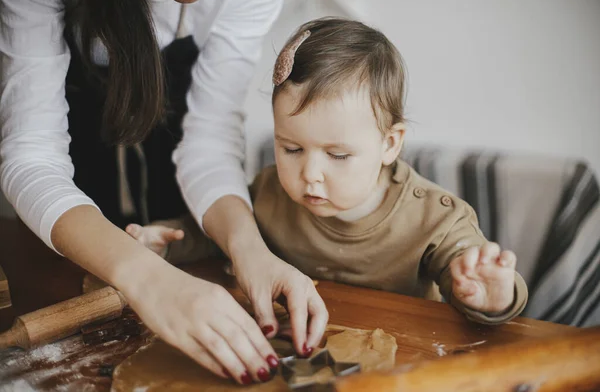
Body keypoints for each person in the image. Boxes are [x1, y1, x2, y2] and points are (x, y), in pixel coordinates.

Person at [0, 0, 328, 385]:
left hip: (179, 204)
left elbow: (210, 143)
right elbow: (33, 158)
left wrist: (250, 251)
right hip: (67, 221)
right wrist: (149, 279)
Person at [128, 17, 529, 328]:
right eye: (291, 148)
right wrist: (166, 241)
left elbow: (469, 276)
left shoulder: (437, 219)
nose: (310, 174)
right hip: (298, 349)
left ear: (390, 143)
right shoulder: (269, 192)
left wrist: (493, 296)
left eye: (338, 155)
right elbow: (219, 236)